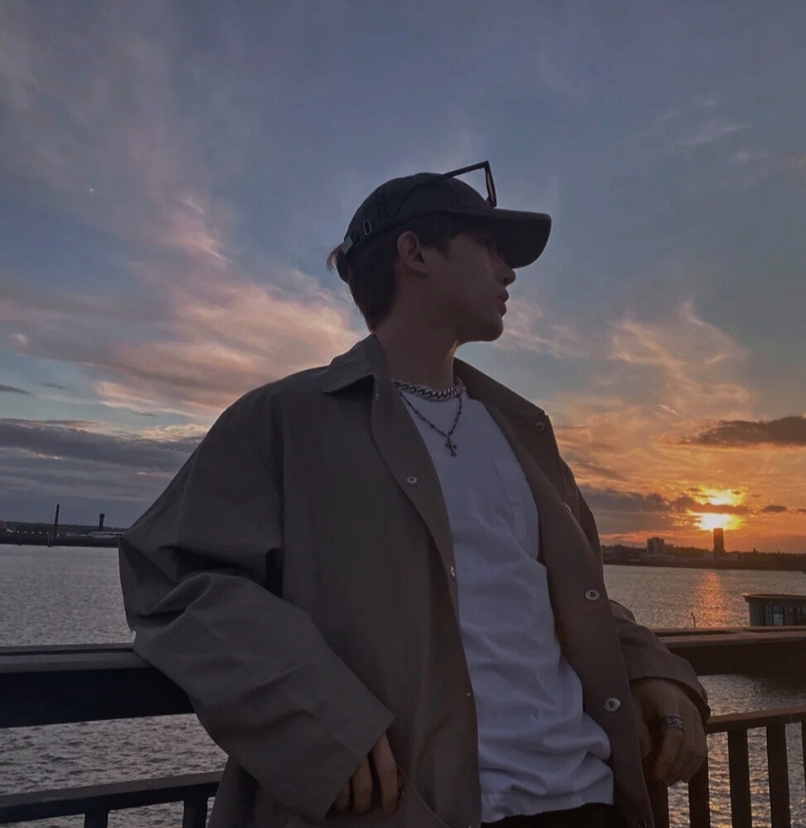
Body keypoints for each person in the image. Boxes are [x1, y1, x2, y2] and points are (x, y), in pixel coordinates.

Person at [119, 161, 709, 828]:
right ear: (415, 252)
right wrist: (318, 717)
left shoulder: (525, 432)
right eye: (488, 246)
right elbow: (170, 578)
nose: (509, 272)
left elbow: (571, 601)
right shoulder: (285, 419)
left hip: (586, 801)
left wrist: (652, 669)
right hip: (414, 810)